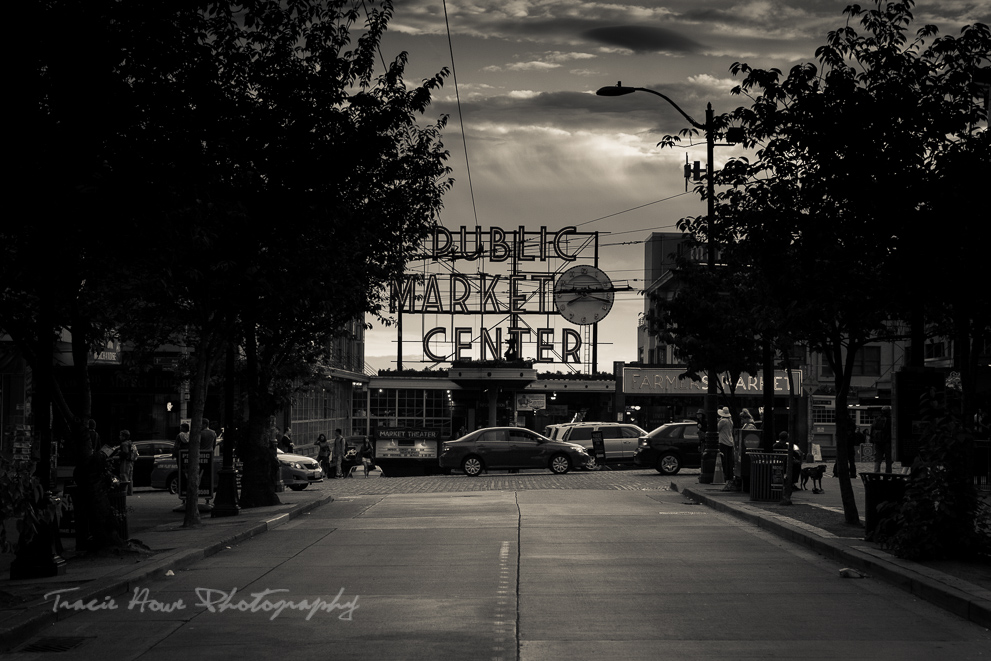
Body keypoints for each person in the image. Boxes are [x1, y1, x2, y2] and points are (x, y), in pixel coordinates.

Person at [870, 406, 892, 473]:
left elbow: (872, 429)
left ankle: (876, 473)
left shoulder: (877, 419)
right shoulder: (889, 419)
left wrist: (872, 439)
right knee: (888, 459)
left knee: (878, 459)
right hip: (887, 441)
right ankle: (888, 473)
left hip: (878, 442)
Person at [717, 407, 735, 484]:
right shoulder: (730, 421)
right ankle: (730, 475)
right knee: (729, 460)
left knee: (724, 459)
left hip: (723, 441)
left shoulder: (722, 421)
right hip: (730, 441)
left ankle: (725, 474)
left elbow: (717, 429)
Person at [118, 429, 136, 495]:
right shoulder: (130, 443)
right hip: (131, 462)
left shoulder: (124, 444)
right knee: (130, 477)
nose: (119, 437)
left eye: (120, 435)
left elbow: (125, 453)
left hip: (125, 462)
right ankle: (130, 492)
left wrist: (120, 452)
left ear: (124, 436)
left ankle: (124, 492)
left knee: (124, 476)